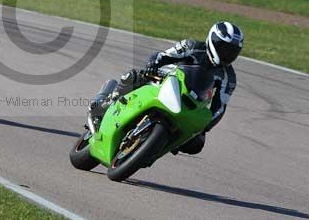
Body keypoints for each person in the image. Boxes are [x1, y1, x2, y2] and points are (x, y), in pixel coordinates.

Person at [92, 21, 244, 155]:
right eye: (224, 49)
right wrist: (152, 65)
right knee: (132, 76)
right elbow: (161, 56)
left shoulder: (228, 78)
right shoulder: (191, 46)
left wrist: (205, 126)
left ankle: (155, 146)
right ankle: (107, 103)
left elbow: (219, 107)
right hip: (163, 80)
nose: (227, 54)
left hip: (189, 103)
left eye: (232, 52)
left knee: (197, 143)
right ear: (213, 41)